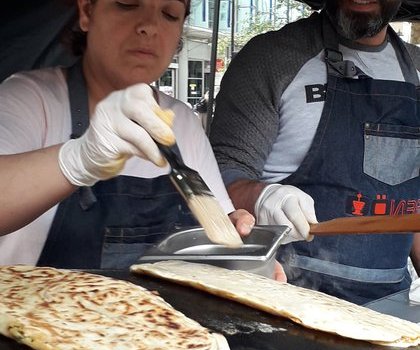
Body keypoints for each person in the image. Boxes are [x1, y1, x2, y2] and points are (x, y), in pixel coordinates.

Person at [0, 0, 283, 276]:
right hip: (39, 315)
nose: (149, 26)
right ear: (87, 12)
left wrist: (247, 257)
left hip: (158, 318)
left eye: (170, 14)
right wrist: (77, 159)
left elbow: (221, 229)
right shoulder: (29, 98)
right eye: (127, 4)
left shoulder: (183, 123)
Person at [210, 0, 420, 304]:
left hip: (392, 307)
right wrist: (260, 196)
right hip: (283, 300)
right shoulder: (272, 59)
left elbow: (412, 202)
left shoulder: (416, 71)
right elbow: (215, 176)